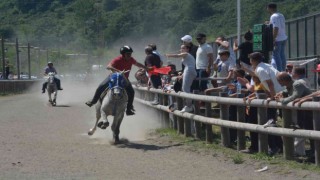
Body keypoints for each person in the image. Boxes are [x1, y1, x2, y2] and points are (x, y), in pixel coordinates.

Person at [85, 46, 149, 116]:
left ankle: (129, 109)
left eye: (130, 53)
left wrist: (146, 68)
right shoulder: (117, 59)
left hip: (124, 79)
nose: (129, 55)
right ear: (123, 54)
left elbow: (137, 64)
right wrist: (118, 71)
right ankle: (93, 101)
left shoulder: (131, 59)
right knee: (101, 86)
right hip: (114, 77)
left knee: (131, 92)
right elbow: (108, 66)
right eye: (128, 54)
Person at [249, 52, 284, 155]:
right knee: (271, 121)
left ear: (253, 60)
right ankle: (278, 146)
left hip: (278, 94)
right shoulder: (266, 65)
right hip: (279, 93)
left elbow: (270, 84)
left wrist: (272, 97)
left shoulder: (260, 69)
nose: (250, 62)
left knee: (269, 121)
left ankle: (275, 147)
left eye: (250, 60)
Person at [275, 72, 313, 156]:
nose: (278, 83)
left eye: (279, 81)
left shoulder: (297, 84)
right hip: (302, 111)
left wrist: (281, 100)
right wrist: (282, 93)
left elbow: (294, 97)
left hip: (310, 112)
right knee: (301, 129)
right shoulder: (290, 85)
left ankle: (310, 153)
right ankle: (302, 152)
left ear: (283, 80)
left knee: (306, 131)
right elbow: (287, 91)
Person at [166, 44, 197, 112]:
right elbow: (187, 66)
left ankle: (189, 106)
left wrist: (170, 55)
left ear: (187, 49)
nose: (181, 50)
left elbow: (177, 56)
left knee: (186, 89)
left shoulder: (186, 54)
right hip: (188, 70)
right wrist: (182, 75)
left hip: (189, 71)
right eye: (181, 48)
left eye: (183, 48)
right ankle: (188, 105)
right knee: (184, 88)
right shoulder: (187, 56)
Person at [267, 3, 287, 72]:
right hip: (283, 37)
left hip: (277, 38)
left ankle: (279, 71)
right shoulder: (281, 15)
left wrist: (273, 39)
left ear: (270, 8)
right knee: (282, 54)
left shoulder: (273, 16)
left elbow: (276, 28)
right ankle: (283, 70)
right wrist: (269, 23)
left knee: (276, 55)